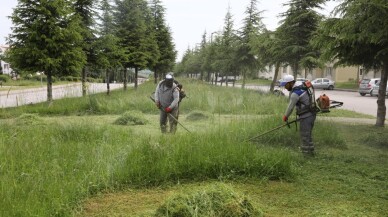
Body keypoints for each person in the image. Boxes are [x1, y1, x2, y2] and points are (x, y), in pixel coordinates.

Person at [280, 74, 317, 156]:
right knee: (308, 134)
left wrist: (285, 116)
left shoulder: (295, 93)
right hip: (312, 114)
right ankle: (311, 152)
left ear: (290, 83)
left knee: (304, 135)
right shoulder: (301, 86)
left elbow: (290, 107)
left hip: (306, 116)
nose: (285, 88)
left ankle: (306, 155)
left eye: (285, 85)